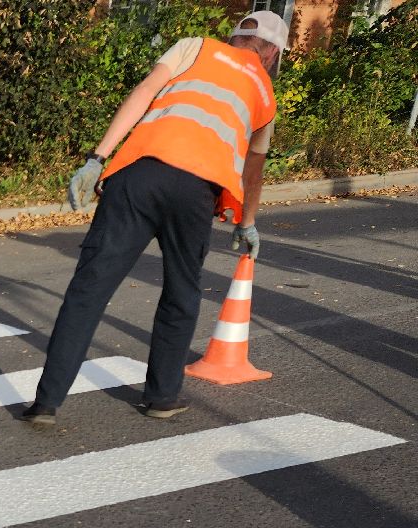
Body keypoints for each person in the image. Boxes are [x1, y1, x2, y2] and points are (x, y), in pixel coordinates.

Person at [21, 10, 288, 427]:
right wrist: (246, 221)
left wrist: (97, 158)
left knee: (89, 289)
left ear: (236, 37)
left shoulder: (195, 47)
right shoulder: (266, 97)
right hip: (196, 192)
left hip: (138, 175)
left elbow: (145, 91)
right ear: (271, 53)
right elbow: (254, 168)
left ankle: (46, 403)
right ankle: (162, 397)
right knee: (181, 294)